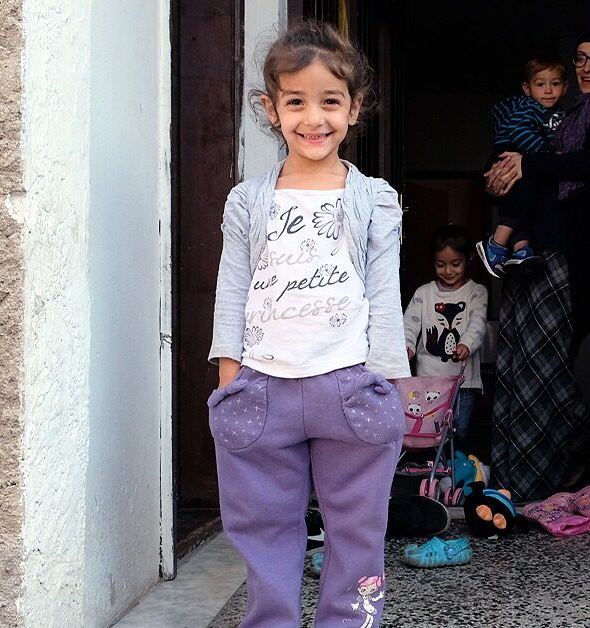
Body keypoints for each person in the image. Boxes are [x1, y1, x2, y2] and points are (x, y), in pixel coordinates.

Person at [207, 20, 408, 627]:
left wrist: (387, 385)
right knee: (262, 529)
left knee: (358, 530)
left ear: (354, 107)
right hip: (261, 389)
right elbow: (232, 291)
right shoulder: (248, 200)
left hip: (350, 387)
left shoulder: (375, 198)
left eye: (330, 101)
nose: (313, 118)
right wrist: (230, 382)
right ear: (271, 109)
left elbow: (384, 295)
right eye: (295, 102)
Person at [481, 28, 590, 501]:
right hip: (528, 253)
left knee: (547, 366)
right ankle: (514, 480)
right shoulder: (550, 118)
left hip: (565, 254)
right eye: (581, 58)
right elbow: (508, 164)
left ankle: (564, 462)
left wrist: (528, 164)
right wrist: (498, 175)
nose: (588, 67)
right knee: (519, 362)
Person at [475, 56, 567, 277]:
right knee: (524, 193)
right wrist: (547, 155)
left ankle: (521, 248)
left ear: (565, 87)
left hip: (527, 158)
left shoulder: (558, 113)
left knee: (528, 199)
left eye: (555, 83)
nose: (548, 90)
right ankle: (496, 244)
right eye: (540, 84)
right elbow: (519, 131)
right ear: (527, 89)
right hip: (509, 153)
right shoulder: (528, 107)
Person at [404, 225, 488, 449]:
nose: (448, 271)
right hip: (429, 381)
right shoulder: (424, 293)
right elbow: (409, 323)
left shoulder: (476, 292)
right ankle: (434, 468)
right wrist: (407, 346)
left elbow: (478, 323)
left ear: (469, 259)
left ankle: (455, 467)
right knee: (428, 432)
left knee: (458, 431)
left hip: (463, 382)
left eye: (455, 264)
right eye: (440, 265)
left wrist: (467, 344)